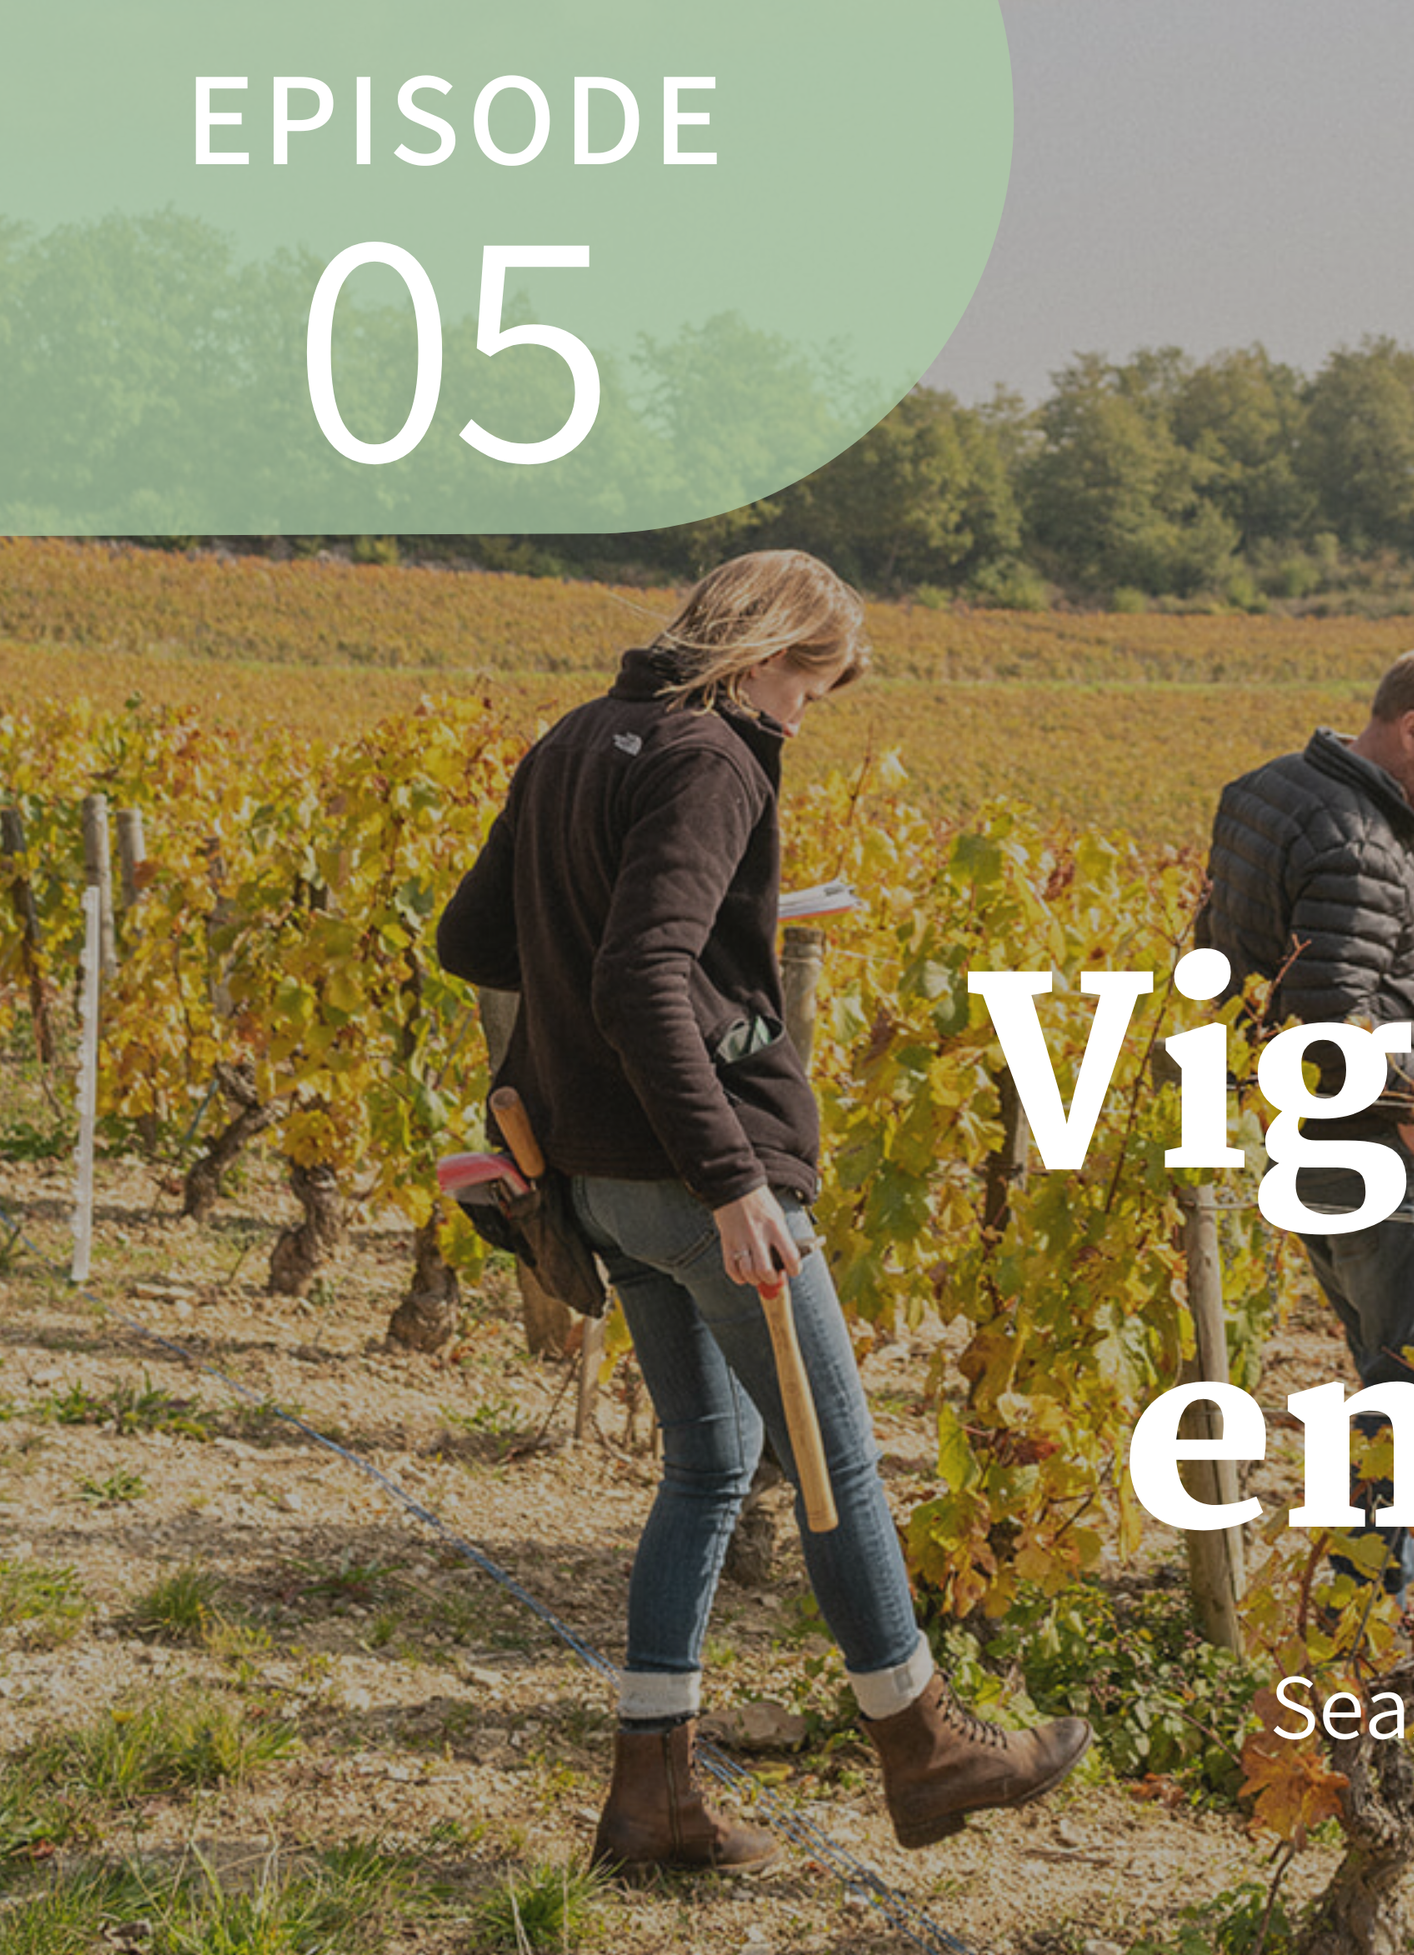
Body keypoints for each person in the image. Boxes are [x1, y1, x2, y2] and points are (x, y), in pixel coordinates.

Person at [436, 550, 1087, 1875]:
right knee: (836, 1466)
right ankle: (926, 1748)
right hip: (700, 1182)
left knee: (710, 1467)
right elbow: (638, 973)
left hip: (602, 1186)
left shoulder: (574, 738)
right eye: (808, 678)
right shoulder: (713, 755)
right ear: (759, 650)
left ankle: (651, 1802)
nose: (805, 710)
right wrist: (734, 1179)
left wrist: (722, 935)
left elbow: (476, 940)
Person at [1196, 645, 1414, 1589]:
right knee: (1406, 1381)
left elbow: (1219, 952)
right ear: (1409, 730)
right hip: (1369, 1149)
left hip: (1294, 1140)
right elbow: (1330, 1021)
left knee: (1383, 1363)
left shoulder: (1263, 790)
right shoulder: (1362, 845)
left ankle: (1367, 1586)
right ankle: (1373, 1595)